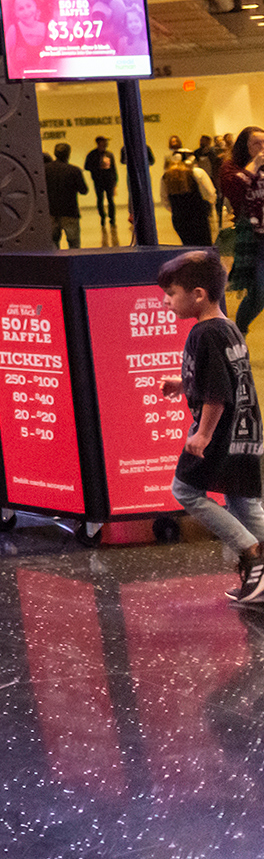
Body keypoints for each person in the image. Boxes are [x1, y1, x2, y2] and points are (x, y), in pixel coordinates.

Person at [156, 248, 264, 603]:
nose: (167, 301)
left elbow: (217, 394)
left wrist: (202, 434)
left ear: (198, 294)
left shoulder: (204, 334)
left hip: (220, 433)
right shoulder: (227, 327)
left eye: (172, 293)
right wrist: (183, 383)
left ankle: (252, 552)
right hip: (246, 432)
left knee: (185, 490)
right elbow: (223, 378)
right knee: (244, 503)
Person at [226, 127, 264, 331]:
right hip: (254, 239)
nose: (262, 147)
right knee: (259, 293)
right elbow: (235, 189)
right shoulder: (231, 167)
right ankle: (240, 331)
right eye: (256, 143)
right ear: (244, 146)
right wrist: (254, 165)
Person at [166, 153, 219, 250]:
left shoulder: (167, 176)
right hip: (199, 217)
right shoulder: (198, 173)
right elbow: (210, 193)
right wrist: (209, 206)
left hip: (179, 218)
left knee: (189, 247)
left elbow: (165, 200)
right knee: (205, 247)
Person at [45, 141, 89, 249]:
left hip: (51, 211)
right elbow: (83, 190)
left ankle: (55, 260)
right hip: (70, 211)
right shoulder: (74, 170)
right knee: (74, 244)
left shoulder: (45, 169)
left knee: (53, 244)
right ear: (68, 154)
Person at [84, 137, 120, 234]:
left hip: (109, 181)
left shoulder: (109, 154)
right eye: (103, 142)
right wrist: (97, 166)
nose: (105, 144)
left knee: (110, 200)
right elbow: (86, 166)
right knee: (100, 200)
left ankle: (112, 219)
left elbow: (113, 168)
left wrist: (115, 181)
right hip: (98, 181)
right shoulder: (92, 154)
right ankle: (102, 217)